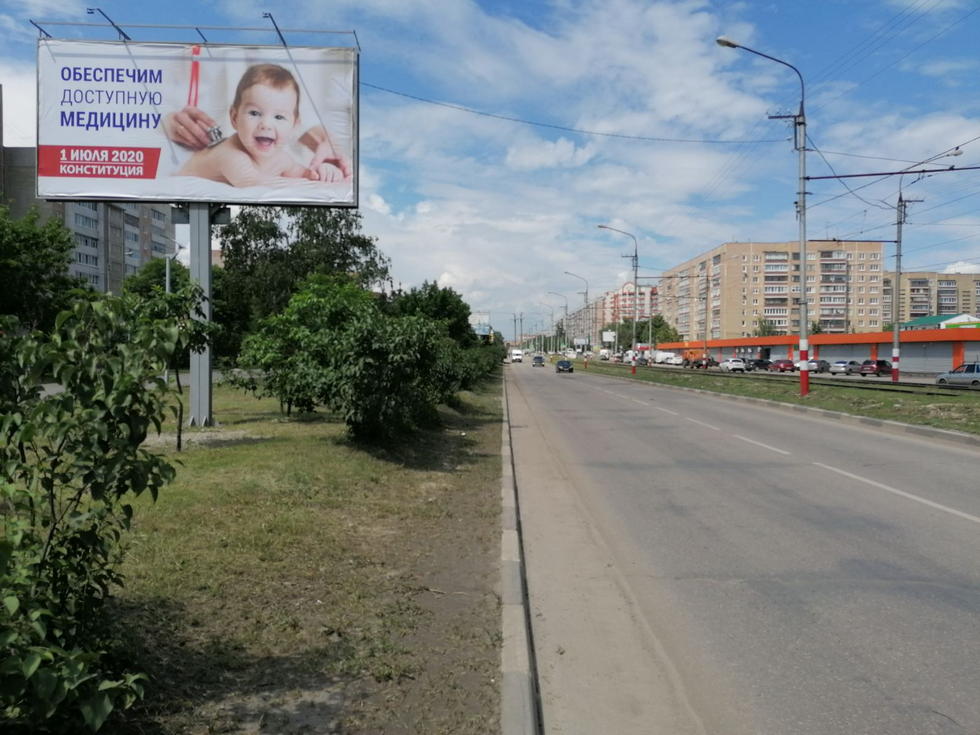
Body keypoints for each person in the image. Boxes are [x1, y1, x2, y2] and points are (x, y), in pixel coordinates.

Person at [173, 63, 349, 187]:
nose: (265, 124)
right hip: (178, 188)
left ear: (295, 125)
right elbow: (251, 182)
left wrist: (323, 172)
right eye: (255, 113)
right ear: (234, 118)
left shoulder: (282, 158)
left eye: (279, 117)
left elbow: (306, 175)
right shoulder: (230, 154)